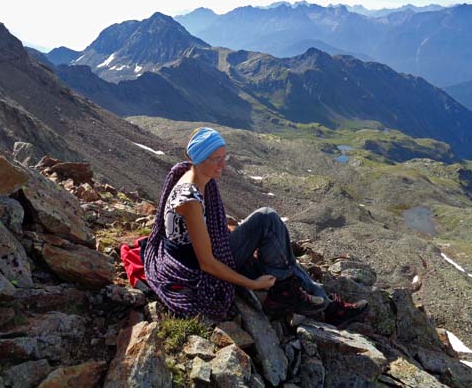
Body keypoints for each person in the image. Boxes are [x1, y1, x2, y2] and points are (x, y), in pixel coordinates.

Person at [143, 127, 368, 327]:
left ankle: (313, 300)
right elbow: (207, 263)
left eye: (224, 157)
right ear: (200, 159)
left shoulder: (193, 174)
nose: (223, 164)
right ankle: (287, 294)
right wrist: (253, 283)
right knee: (268, 221)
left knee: (285, 260)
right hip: (194, 265)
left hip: (202, 249)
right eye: (216, 159)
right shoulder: (190, 199)